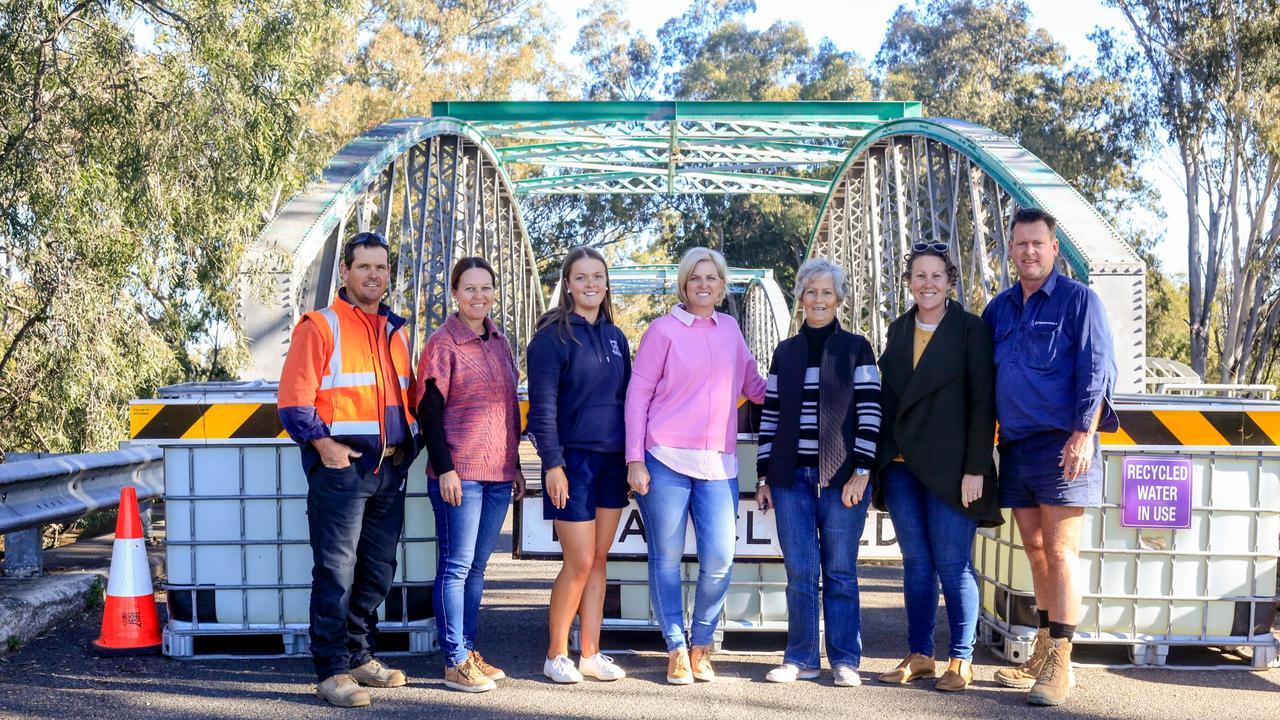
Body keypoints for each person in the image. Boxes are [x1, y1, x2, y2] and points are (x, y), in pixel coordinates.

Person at [277, 231, 420, 708]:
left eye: (381, 267)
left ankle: (360, 655)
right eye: (364, 266)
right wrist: (324, 445)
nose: (374, 275)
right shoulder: (320, 326)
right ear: (345, 271)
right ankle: (332, 669)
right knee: (336, 572)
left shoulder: (395, 332)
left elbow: (407, 398)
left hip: (388, 471)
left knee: (377, 571)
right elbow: (294, 403)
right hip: (343, 470)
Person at [981, 207, 1118, 707]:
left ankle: (1063, 663)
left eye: (1037, 243)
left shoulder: (1080, 302)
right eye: (1020, 244)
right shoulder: (999, 310)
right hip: (1015, 446)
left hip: (1063, 442)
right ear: (1011, 249)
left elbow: (1098, 368)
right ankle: (1043, 647)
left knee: (1061, 551)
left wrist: (1083, 433)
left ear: (1054, 248)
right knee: (1035, 550)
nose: (1029, 251)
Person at [625, 246, 767, 685]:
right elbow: (637, 397)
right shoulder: (662, 331)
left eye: (712, 278)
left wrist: (809, 382)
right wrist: (635, 459)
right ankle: (676, 648)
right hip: (664, 458)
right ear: (684, 284)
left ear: (723, 286)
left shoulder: (730, 330)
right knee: (665, 559)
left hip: (719, 464)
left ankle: (702, 643)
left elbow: (757, 388)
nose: (704, 285)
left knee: (721, 559)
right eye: (695, 278)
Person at [873, 244, 1001, 692]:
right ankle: (920, 654)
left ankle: (961, 659)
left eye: (936, 276)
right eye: (919, 276)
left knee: (953, 564)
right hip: (903, 467)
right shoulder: (898, 329)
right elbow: (889, 400)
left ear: (950, 281)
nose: (927, 283)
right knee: (917, 564)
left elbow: (983, 404)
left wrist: (976, 468)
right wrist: (880, 462)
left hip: (952, 470)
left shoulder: (970, 330)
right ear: (909, 282)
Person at [755, 259, 882, 688]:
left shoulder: (855, 348)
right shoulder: (785, 352)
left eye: (827, 292)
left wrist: (863, 470)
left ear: (839, 299)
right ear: (800, 297)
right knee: (801, 572)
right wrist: (764, 477)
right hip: (791, 481)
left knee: (841, 571)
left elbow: (870, 412)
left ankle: (845, 659)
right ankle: (801, 658)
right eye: (811, 292)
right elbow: (770, 417)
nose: (819, 299)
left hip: (844, 478)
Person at [416, 256, 525, 693]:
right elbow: (428, 413)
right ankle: (453, 660)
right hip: (459, 474)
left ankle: (467, 648)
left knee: (478, 568)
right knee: (456, 567)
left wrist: (514, 464)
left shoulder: (500, 342)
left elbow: (507, 411)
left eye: (486, 288)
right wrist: (445, 469)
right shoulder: (443, 344)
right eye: (470, 288)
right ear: (456, 295)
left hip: (498, 474)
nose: (479, 296)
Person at [526, 247, 631, 684]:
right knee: (580, 560)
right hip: (572, 462)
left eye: (598, 277)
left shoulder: (617, 337)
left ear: (606, 284)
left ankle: (590, 653)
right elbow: (543, 408)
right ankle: (556, 655)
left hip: (612, 462)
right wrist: (552, 463)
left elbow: (631, 401)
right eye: (581, 278)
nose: (590, 285)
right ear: (567, 284)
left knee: (600, 559)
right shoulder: (550, 338)